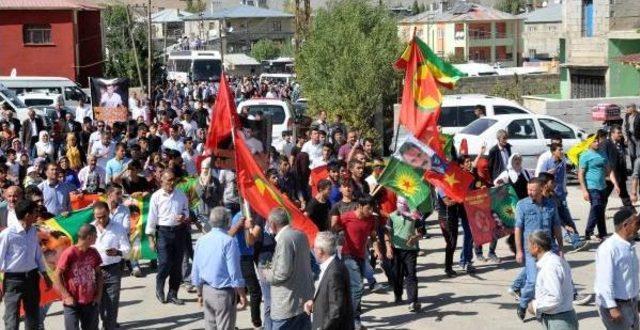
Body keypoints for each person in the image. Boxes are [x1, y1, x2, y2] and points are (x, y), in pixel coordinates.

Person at [331, 197, 390, 330]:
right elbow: (334, 228)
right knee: (358, 287)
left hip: (361, 256)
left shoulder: (371, 219)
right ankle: (353, 320)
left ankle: (350, 318)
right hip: (347, 256)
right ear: (359, 206)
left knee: (353, 290)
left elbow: (373, 235)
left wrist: (377, 250)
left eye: (372, 209)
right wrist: (334, 223)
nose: (370, 211)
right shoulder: (347, 217)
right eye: (368, 208)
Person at [514, 178, 563, 321]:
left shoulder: (551, 204)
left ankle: (545, 307)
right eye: (528, 190)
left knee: (556, 278)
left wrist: (560, 248)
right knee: (533, 280)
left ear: (541, 189)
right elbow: (518, 229)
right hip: (532, 250)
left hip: (549, 249)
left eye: (533, 190)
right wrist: (519, 251)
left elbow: (556, 226)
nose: (530, 193)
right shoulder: (522, 205)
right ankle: (523, 305)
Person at [0, 199, 53, 330]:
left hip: (32, 278)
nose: (37, 214)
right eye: (35, 212)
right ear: (27, 215)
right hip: (13, 280)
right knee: (12, 318)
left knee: (32, 317)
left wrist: (45, 275)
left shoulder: (34, 232)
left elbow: (38, 256)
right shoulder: (7, 234)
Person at [192, 207, 247, 330]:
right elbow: (235, 272)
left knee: (210, 327)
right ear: (227, 221)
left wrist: (199, 292)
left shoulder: (202, 240)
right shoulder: (229, 241)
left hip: (207, 291)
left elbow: (196, 268)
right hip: (223, 293)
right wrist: (242, 294)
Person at [263, 208, 315, 329]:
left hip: (287, 304)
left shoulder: (284, 239)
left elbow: (282, 273)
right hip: (303, 300)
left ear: (273, 224)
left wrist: (267, 274)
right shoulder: (300, 235)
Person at [145, 169, 190, 305]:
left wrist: (184, 216)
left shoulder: (181, 195)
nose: (171, 183)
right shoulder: (156, 196)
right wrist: (151, 239)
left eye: (173, 180)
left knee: (177, 265)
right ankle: (160, 287)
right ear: (161, 180)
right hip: (163, 232)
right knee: (165, 263)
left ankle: (173, 293)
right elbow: (151, 218)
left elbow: (186, 211)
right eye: (168, 180)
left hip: (179, 231)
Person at [594, 207, 640, 330]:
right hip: (617, 306)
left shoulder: (629, 246)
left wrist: (637, 299)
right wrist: (612, 307)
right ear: (626, 225)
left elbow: (632, 277)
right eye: (637, 223)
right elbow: (604, 281)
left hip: (631, 304)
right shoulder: (608, 248)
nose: (639, 227)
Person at [54, 224, 104, 330]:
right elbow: (57, 275)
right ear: (89, 237)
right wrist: (66, 296)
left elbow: (99, 274)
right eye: (96, 235)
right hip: (72, 302)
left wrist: (99, 295)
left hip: (90, 301)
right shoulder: (69, 253)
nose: (97, 238)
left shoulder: (93, 252)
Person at [526, 230, 579, 330]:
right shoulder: (555, 261)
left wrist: (534, 305)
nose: (527, 248)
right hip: (560, 318)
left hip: (559, 321)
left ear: (536, 247)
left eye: (528, 245)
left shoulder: (549, 267)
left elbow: (554, 298)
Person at [303, 231, 354, 330]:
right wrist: (314, 303)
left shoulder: (334, 271)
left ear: (320, 251)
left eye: (315, 248)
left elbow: (336, 309)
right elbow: (330, 296)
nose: (313, 250)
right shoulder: (330, 266)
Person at [92, 201, 130, 330]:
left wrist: (118, 252)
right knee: (98, 302)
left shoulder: (118, 228)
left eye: (103, 216)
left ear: (108, 213)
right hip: (94, 271)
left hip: (113, 269)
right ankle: (106, 321)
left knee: (112, 302)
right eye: (98, 217)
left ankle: (110, 325)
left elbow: (127, 250)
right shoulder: (90, 228)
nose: (101, 220)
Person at [579, 133, 619, 241]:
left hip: (603, 187)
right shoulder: (585, 155)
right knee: (596, 206)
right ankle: (589, 231)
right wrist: (584, 190)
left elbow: (609, 170)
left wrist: (615, 184)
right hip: (592, 186)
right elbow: (581, 174)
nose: (597, 143)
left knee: (600, 209)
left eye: (598, 141)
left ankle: (602, 233)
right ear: (589, 142)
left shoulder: (602, 154)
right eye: (595, 141)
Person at [229, 210, 263, 329]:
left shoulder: (258, 213)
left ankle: (230, 323)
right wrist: (242, 226)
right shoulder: (239, 216)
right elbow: (229, 235)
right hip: (242, 256)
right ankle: (256, 322)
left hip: (252, 253)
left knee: (245, 292)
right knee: (254, 291)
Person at [388, 198, 422, 311]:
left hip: (410, 251)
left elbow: (421, 232)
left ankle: (413, 301)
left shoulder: (414, 216)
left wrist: (415, 238)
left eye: (403, 204)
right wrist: (388, 248)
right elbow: (387, 233)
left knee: (411, 275)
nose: (400, 205)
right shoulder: (392, 216)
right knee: (397, 274)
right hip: (396, 250)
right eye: (399, 203)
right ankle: (398, 295)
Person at [601, 125, 632, 207]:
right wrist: (607, 173)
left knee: (624, 194)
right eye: (618, 133)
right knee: (605, 195)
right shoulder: (606, 144)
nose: (620, 134)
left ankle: (632, 213)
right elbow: (604, 159)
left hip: (620, 174)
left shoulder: (620, 142)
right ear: (612, 133)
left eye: (621, 133)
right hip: (610, 175)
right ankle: (599, 213)